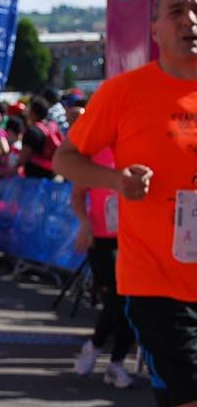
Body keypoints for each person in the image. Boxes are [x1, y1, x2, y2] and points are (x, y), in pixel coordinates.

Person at [54, 0, 197, 407]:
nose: (191, 17)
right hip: (157, 281)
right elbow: (65, 159)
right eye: (177, 10)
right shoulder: (124, 93)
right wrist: (115, 180)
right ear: (157, 31)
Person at [69, 149, 135, 389]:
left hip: (134, 241)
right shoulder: (96, 156)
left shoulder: (140, 150)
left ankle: (116, 363)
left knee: (134, 303)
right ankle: (94, 347)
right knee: (118, 298)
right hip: (102, 241)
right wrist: (85, 223)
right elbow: (77, 196)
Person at [20, 96, 62, 180]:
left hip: (34, 178)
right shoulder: (50, 127)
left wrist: (13, 168)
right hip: (50, 176)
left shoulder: (32, 131)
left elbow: (24, 156)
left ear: (33, 112)